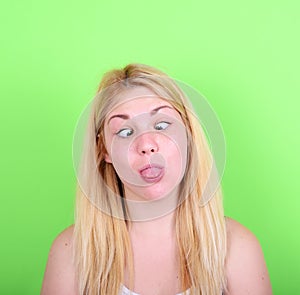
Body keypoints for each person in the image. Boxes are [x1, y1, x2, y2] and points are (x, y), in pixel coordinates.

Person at [41, 64, 272, 295]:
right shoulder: (70, 253)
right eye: (125, 131)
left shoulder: (237, 248)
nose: (146, 145)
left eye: (161, 125)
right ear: (104, 150)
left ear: (188, 133)